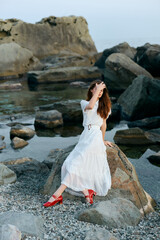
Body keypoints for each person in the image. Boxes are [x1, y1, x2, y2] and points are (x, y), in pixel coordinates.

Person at [43, 79, 113, 207]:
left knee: (75, 165)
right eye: (97, 89)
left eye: (102, 91)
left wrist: (102, 140)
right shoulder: (84, 102)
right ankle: (87, 191)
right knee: (68, 165)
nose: (100, 92)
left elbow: (103, 124)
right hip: (85, 136)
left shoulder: (105, 107)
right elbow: (91, 106)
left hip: (95, 137)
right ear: (91, 89)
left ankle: (56, 196)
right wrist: (96, 91)